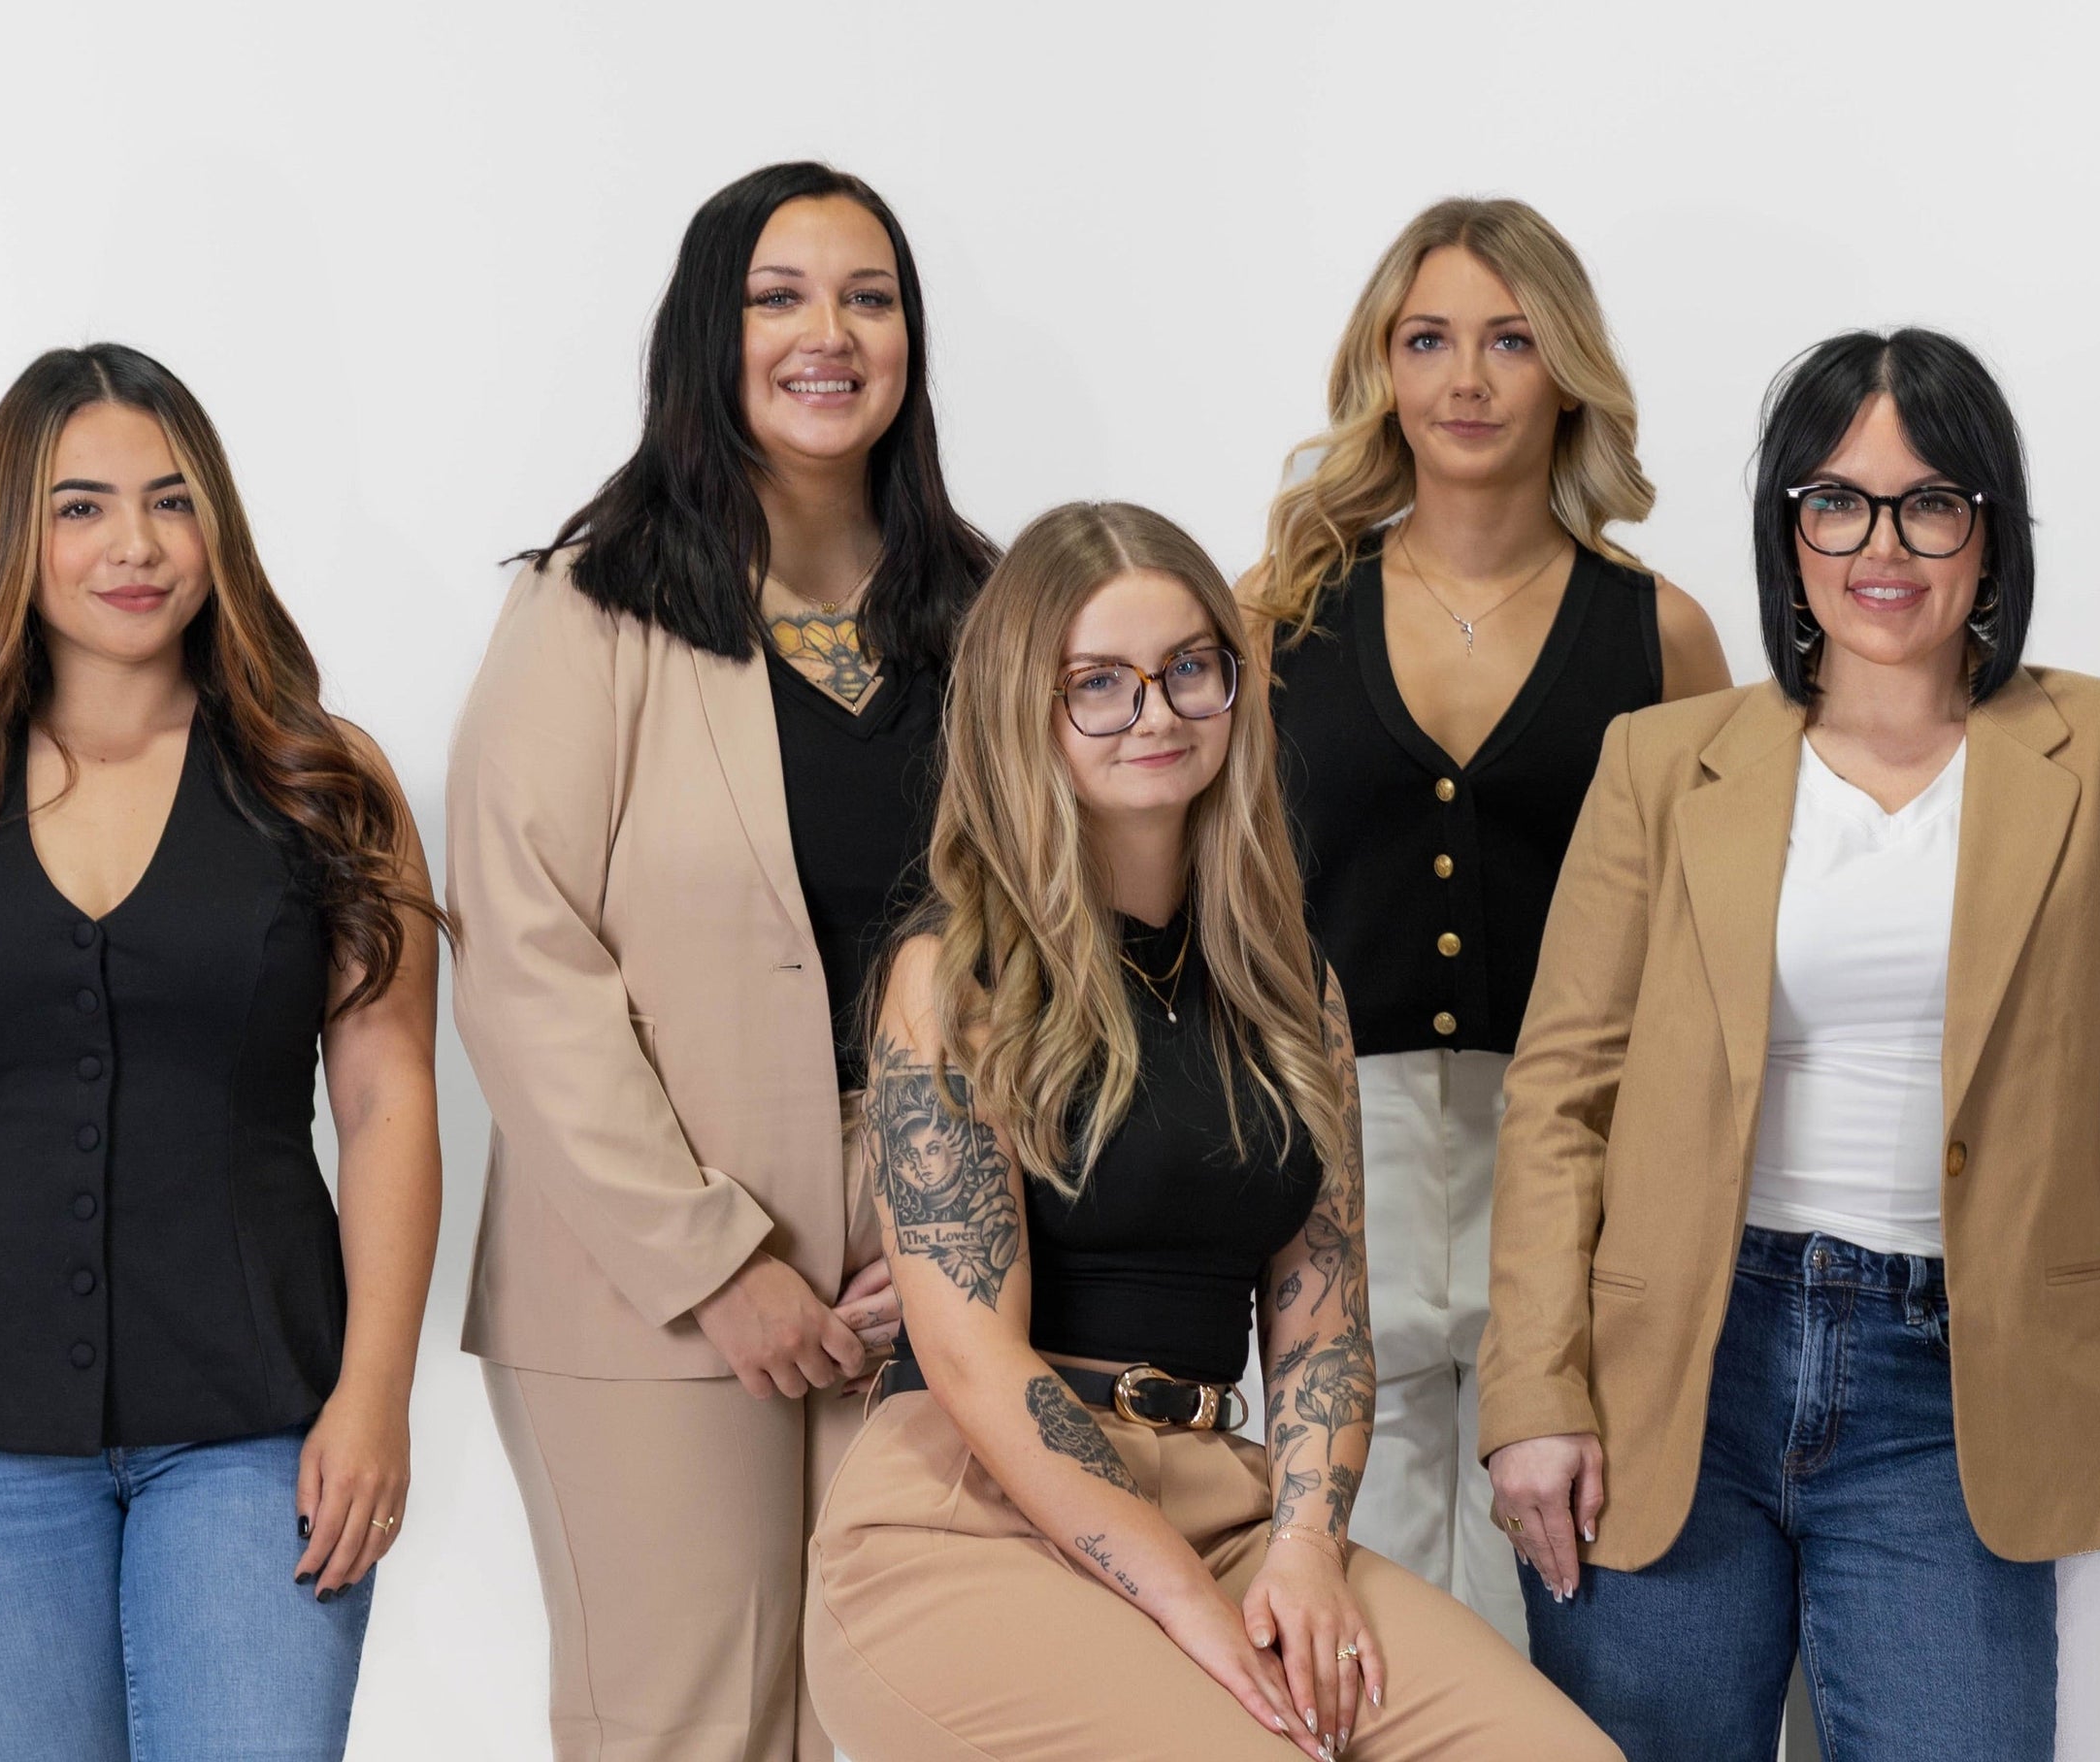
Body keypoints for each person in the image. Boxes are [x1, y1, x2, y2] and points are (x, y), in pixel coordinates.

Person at [1480, 329, 2100, 1760]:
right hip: (1679, 1380)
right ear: (1789, 531)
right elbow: (1559, 1101)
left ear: (1990, 534)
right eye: (1834, 502)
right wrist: (1533, 1388)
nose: (1879, 545)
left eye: (1930, 503)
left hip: (1951, 1392)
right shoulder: (1664, 765)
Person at [803, 502, 1622, 1762]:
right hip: (969, 1509)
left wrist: (1303, 1549)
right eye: (1100, 684)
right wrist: (1194, 1610)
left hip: (1220, 1499)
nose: (1159, 714)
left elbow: (1324, 1318)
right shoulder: (954, 976)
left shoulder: (1293, 981)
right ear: (1025, 708)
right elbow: (971, 1359)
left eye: (1191, 668)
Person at [0, 343, 444, 1761]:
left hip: (259, 1418)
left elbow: (389, 1096)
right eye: (81, 507)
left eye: (172, 501)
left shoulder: (326, 780)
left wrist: (376, 1390)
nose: (134, 546)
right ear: (14, 534)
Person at [444, 160, 1000, 1762]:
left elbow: (1052, 943)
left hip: (930, 1277)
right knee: (691, 1728)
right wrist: (716, 1262)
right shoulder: (589, 609)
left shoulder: (990, 610)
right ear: (710, 332)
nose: (828, 332)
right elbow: (523, 965)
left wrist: (955, 1227)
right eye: (779, 296)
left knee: (910, 1718)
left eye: (869, 297)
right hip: (648, 1289)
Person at [1247, 196, 1727, 1647]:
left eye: (1510, 341)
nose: (1467, 380)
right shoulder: (1276, 609)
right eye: (1430, 340)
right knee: (1357, 1571)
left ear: (1566, 369)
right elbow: (1227, 899)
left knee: (1567, 1567)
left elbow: (1712, 946)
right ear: (1382, 370)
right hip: (1341, 1140)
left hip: (1573, 1145)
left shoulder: (1663, 630)